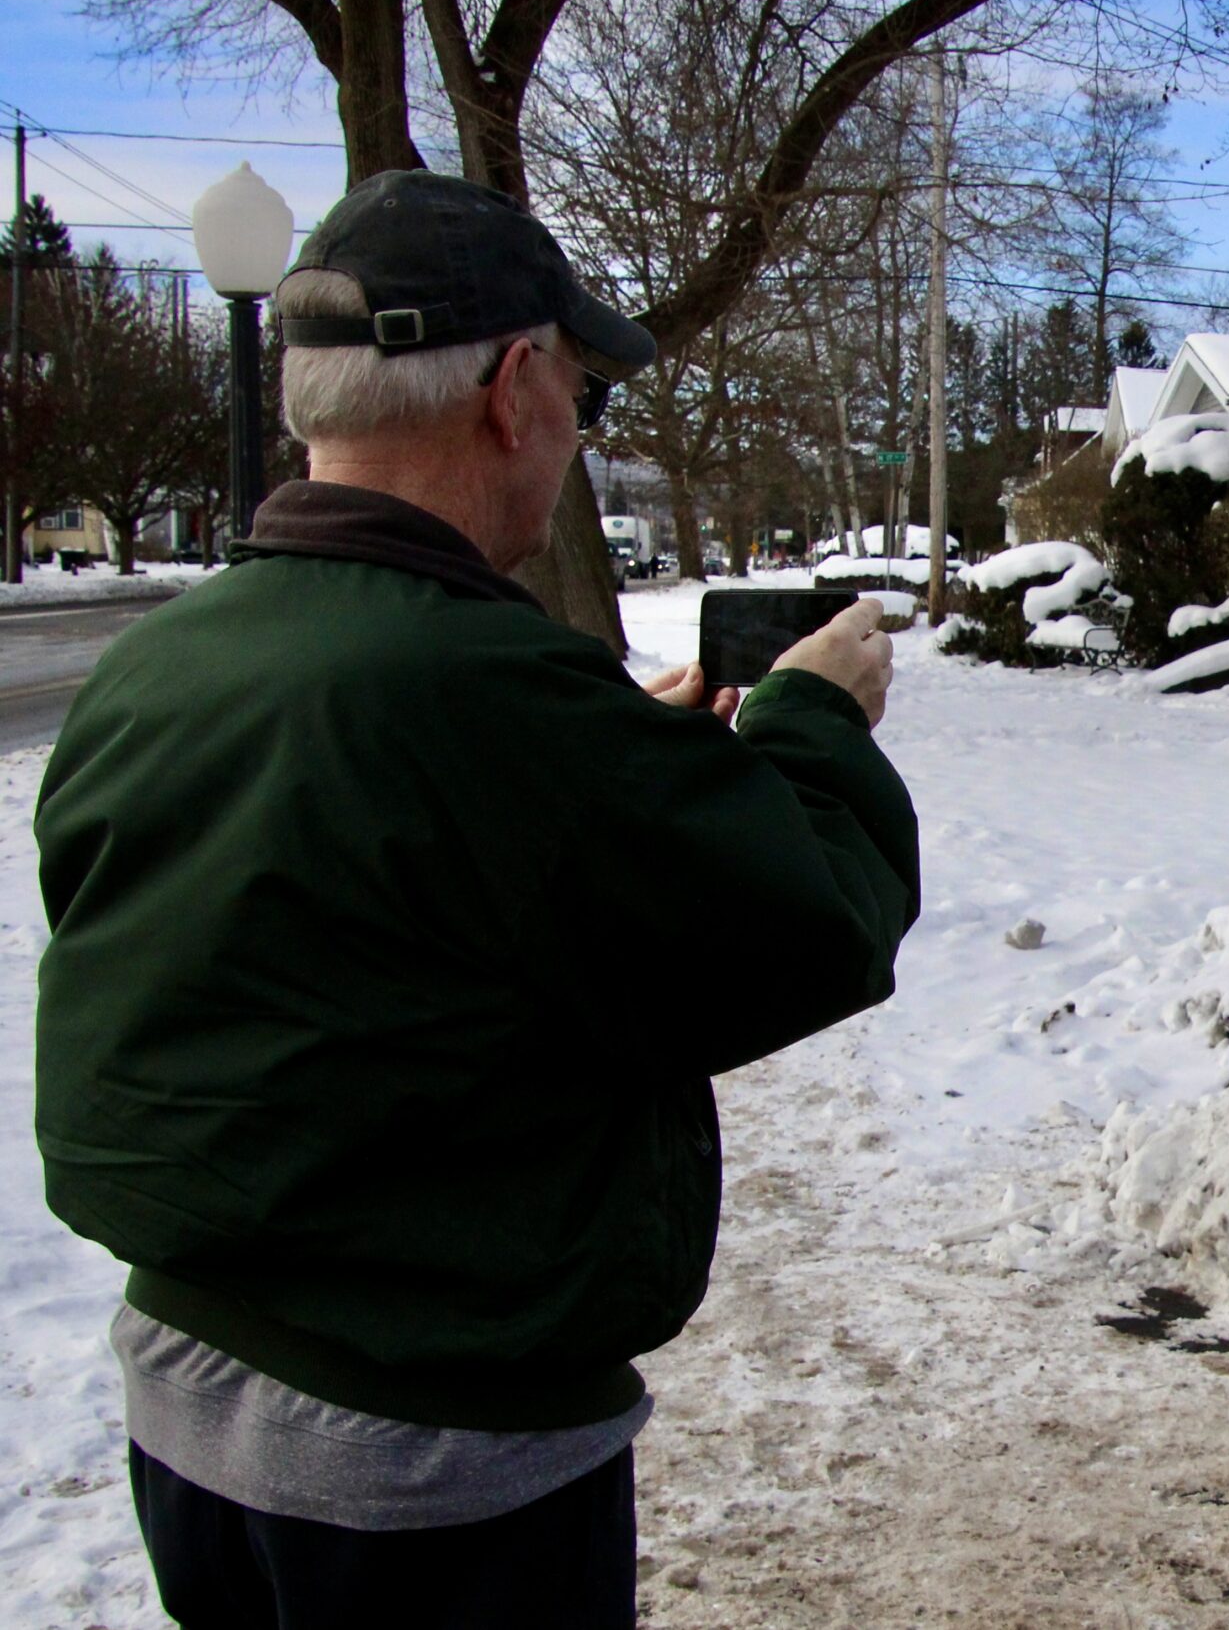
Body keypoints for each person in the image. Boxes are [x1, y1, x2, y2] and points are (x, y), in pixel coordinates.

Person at [32, 170, 920, 1628]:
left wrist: (633, 771)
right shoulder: (485, 695)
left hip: (189, 1407)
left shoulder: (162, 664)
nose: (577, 433)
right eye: (582, 393)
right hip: (425, 1468)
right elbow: (806, 920)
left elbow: (348, 926)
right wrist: (814, 724)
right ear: (515, 389)